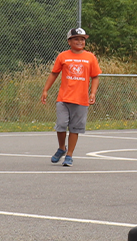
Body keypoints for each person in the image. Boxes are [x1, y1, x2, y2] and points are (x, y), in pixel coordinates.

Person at [40, 27, 101, 168]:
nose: (80, 42)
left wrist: (92, 93)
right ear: (69, 41)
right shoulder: (63, 56)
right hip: (64, 98)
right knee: (61, 125)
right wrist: (45, 90)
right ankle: (62, 148)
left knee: (75, 128)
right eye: (76, 39)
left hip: (81, 100)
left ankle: (69, 155)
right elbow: (54, 73)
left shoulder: (90, 57)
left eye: (82, 39)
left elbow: (95, 77)